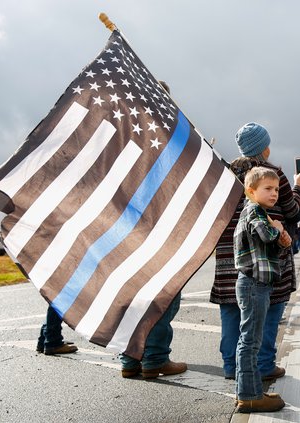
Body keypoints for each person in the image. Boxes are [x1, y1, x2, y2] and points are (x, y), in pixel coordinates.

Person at [210, 122, 300, 381]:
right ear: (264, 148)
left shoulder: (224, 173)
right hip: (265, 257)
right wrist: (299, 187)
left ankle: (232, 366)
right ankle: (264, 365)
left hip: (229, 252)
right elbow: (293, 212)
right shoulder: (273, 174)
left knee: (232, 309)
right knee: (271, 307)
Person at [119, 80, 187, 379]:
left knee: (132, 296)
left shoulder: (122, 130)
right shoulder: (163, 136)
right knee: (163, 295)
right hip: (157, 228)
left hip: (125, 228)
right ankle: (155, 358)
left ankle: (130, 360)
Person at [234, 166, 291, 413]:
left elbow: (267, 249)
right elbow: (264, 234)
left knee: (250, 340)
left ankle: (249, 390)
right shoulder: (254, 212)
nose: (275, 193)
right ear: (250, 191)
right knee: (250, 342)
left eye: (277, 189)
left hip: (257, 285)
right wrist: (277, 230)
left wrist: (282, 241)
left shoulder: (258, 212)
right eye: (268, 188)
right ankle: (250, 395)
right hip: (253, 286)